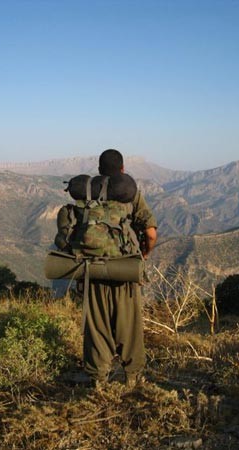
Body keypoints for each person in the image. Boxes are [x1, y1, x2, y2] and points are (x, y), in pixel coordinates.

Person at [82, 149, 157, 387]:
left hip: (93, 269)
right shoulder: (130, 192)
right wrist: (144, 254)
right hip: (124, 269)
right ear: (123, 169)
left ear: (99, 170)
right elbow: (151, 233)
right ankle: (132, 378)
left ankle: (98, 382)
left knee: (97, 327)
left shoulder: (88, 191)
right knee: (129, 326)